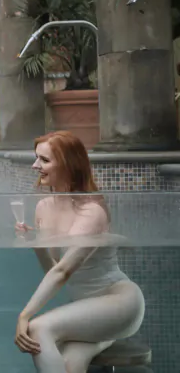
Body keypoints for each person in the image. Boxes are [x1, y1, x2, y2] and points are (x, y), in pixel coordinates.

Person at [14, 131, 144, 372]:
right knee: (69, 365)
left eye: (44, 160)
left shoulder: (92, 210)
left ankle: (106, 332)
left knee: (38, 327)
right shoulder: (43, 207)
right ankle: (102, 336)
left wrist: (25, 315)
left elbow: (64, 271)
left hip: (119, 302)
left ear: (68, 164)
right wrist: (35, 243)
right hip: (87, 311)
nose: (35, 166)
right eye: (36, 158)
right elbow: (53, 268)